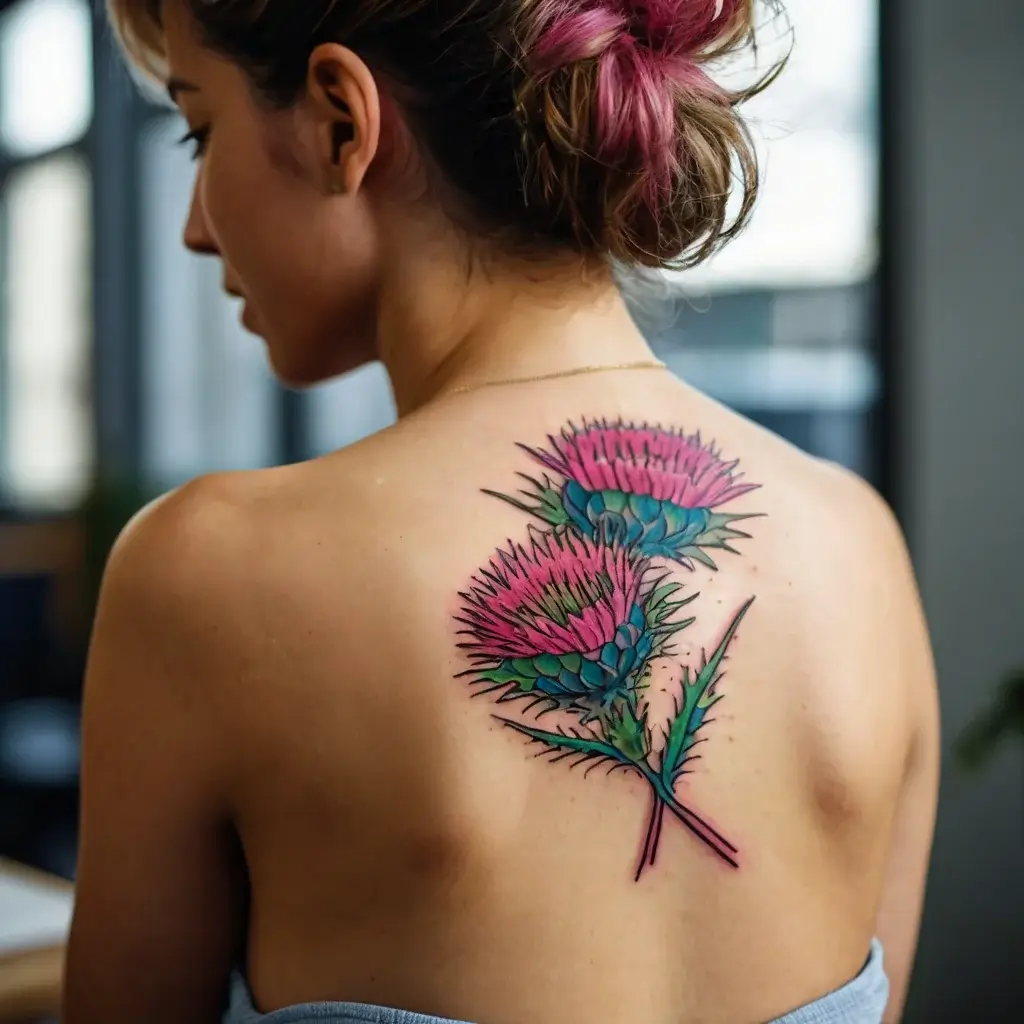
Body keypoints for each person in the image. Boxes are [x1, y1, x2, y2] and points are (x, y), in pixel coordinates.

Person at [63, 1, 939, 1022]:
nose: (195, 226)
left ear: (340, 123)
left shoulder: (204, 572)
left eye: (200, 130)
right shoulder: (858, 542)